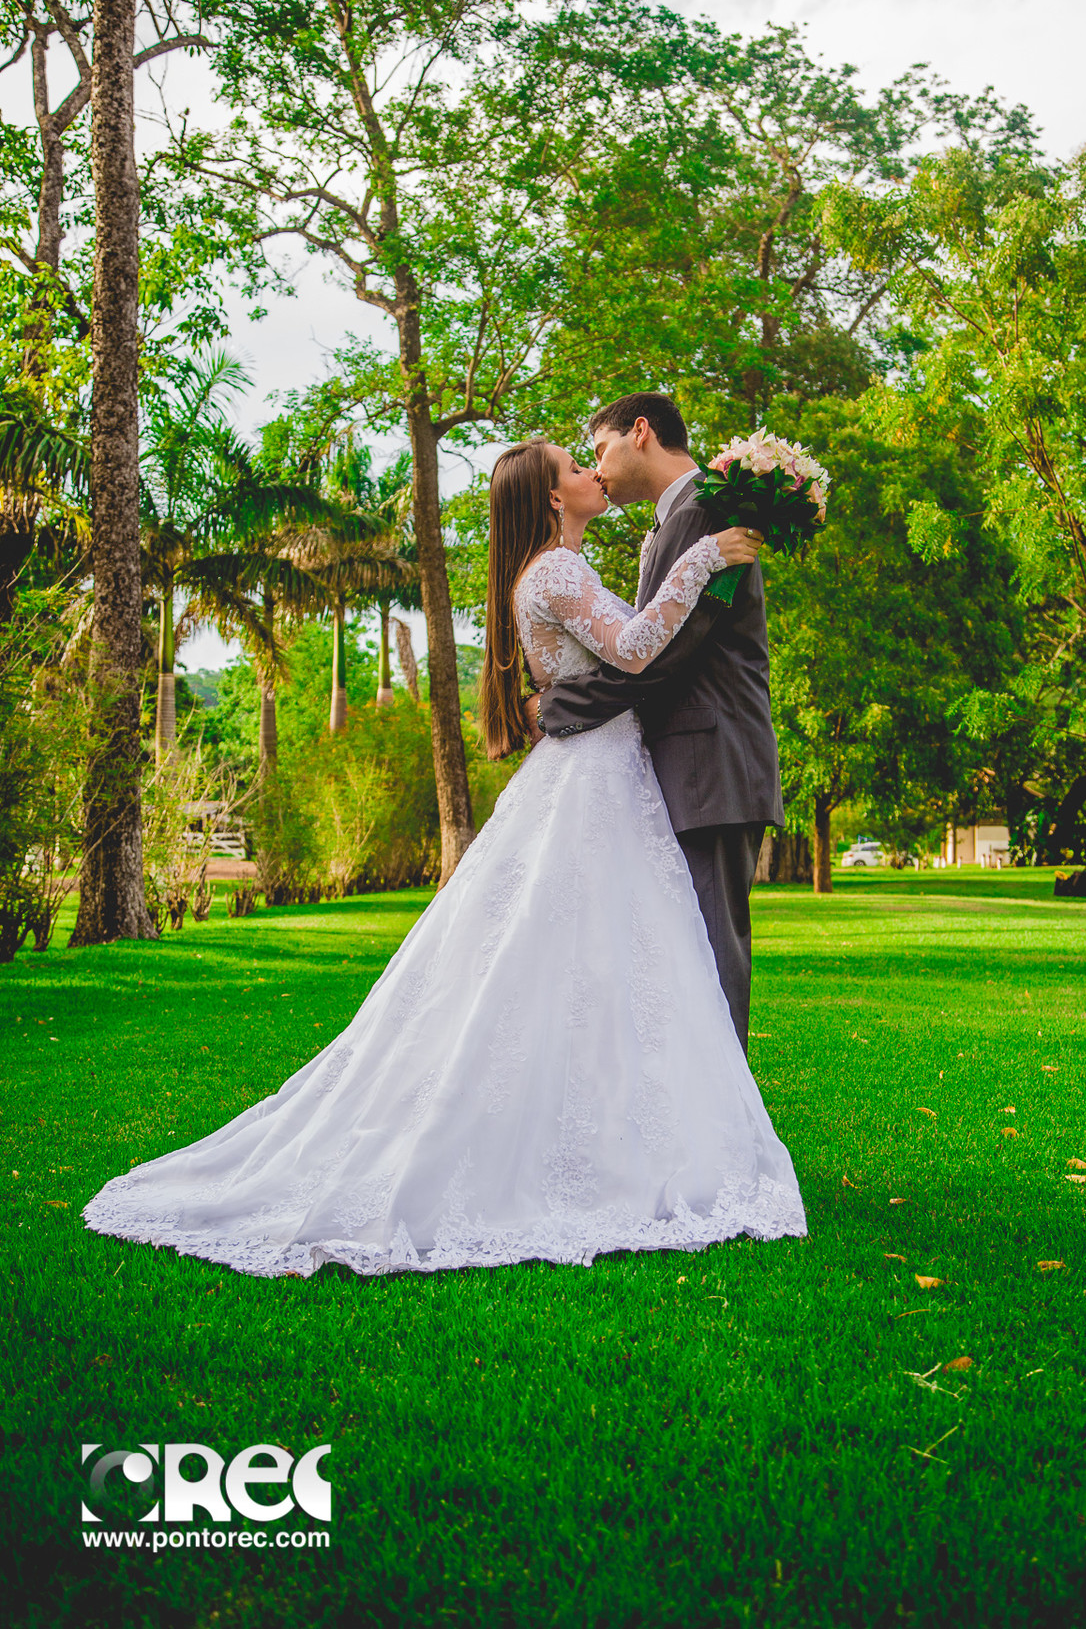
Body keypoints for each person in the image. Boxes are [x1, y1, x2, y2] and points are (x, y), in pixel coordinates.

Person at [83, 438, 806, 1278]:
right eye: (573, 467)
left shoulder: (554, 569)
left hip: (605, 776)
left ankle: (618, 1134)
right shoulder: (556, 574)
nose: (589, 472)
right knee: (591, 963)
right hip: (593, 782)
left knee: (603, 970)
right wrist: (707, 558)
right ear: (548, 497)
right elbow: (638, 650)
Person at [527, 392, 784, 1053]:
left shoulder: (709, 511)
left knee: (707, 950)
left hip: (710, 765)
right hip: (681, 766)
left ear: (640, 432)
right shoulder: (675, 523)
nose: (598, 469)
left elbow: (664, 659)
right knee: (677, 953)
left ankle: (724, 1135)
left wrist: (560, 709)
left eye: (601, 450)